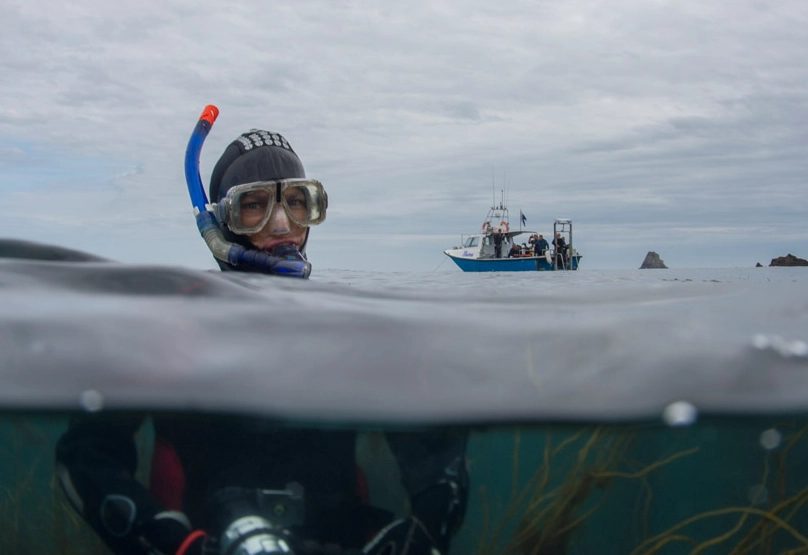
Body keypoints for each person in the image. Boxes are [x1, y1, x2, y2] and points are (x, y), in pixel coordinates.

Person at [55, 130, 469, 555]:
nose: (283, 225)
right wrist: (175, 544)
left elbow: (437, 457)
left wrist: (421, 535)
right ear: (221, 225)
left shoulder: (352, 330)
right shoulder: (170, 327)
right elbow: (85, 456)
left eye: (297, 202)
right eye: (253, 206)